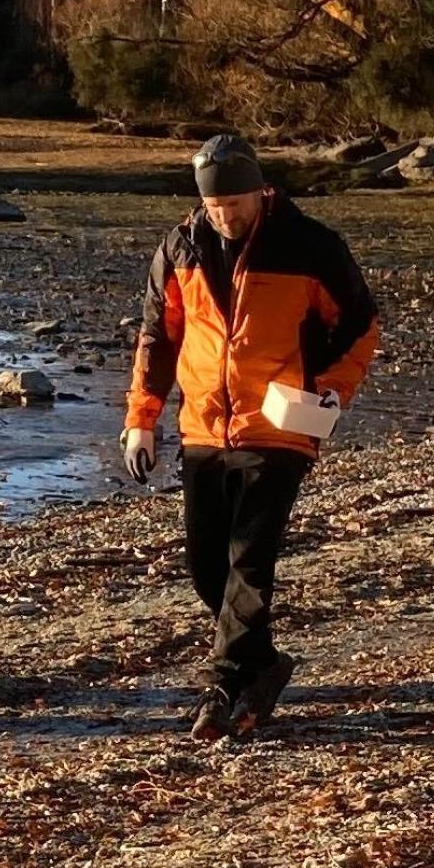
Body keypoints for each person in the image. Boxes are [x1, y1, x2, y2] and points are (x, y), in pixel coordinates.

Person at [120, 136, 380, 741]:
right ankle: (264, 663)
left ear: (261, 191)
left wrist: (330, 395)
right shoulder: (179, 247)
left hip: (282, 426)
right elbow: (158, 340)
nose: (224, 216)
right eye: (214, 206)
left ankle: (223, 682)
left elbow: (361, 327)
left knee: (249, 557)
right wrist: (142, 419)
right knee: (206, 567)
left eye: (234, 203)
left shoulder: (311, 247)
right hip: (204, 427)